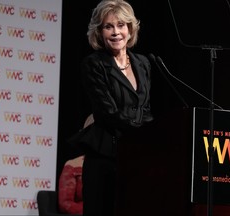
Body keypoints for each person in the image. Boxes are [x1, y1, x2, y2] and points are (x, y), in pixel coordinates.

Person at [80, 0, 154, 215]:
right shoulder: (93, 64)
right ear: (99, 32)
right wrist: (143, 133)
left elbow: (145, 108)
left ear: (130, 29)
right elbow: (107, 113)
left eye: (121, 25)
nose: (115, 32)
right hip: (105, 158)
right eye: (108, 26)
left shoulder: (144, 63)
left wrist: (154, 137)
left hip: (136, 159)